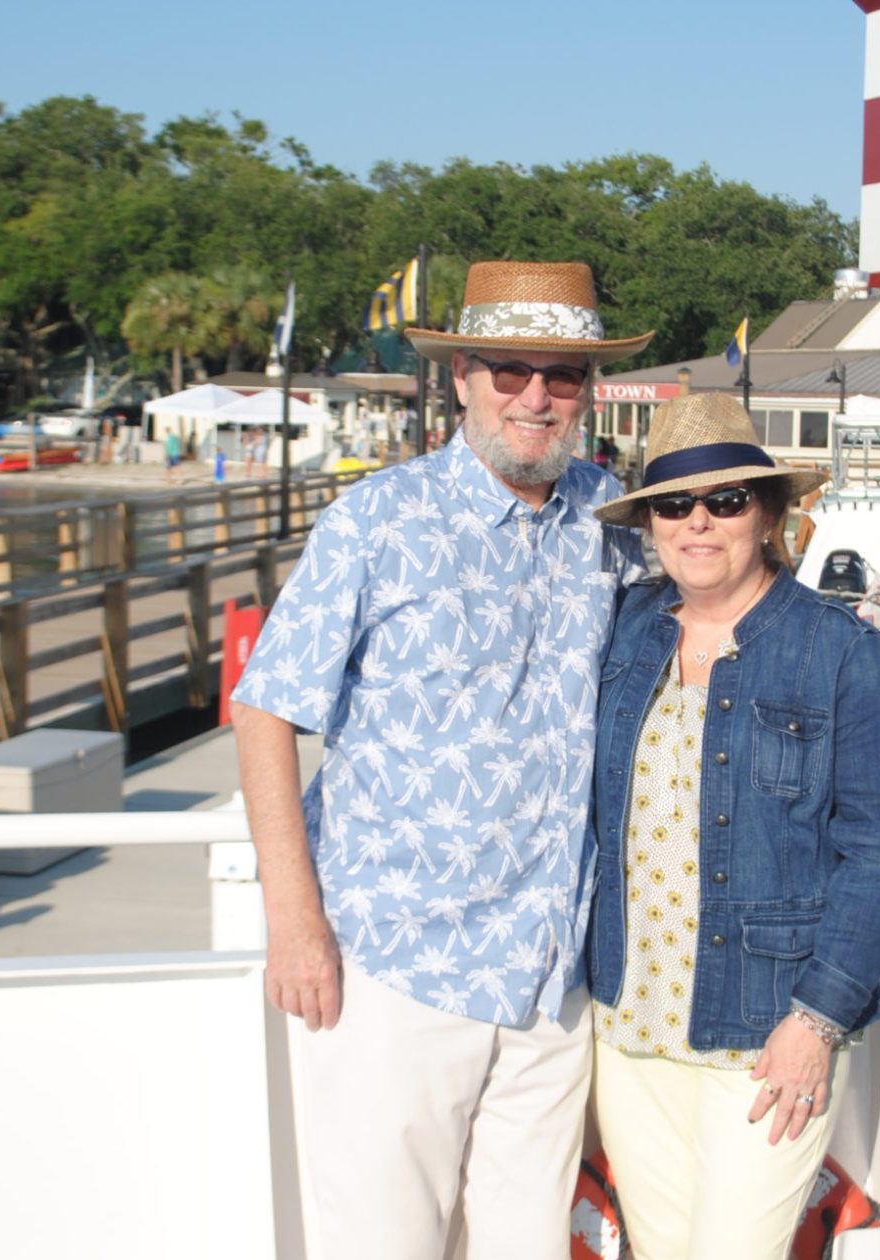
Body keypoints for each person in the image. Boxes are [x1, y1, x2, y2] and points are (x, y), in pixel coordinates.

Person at [229, 260, 653, 1259]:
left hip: (553, 981)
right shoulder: (378, 519)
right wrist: (296, 924)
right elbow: (264, 712)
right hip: (393, 968)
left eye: (563, 375)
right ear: (460, 374)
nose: (537, 396)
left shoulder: (612, 517)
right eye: (510, 369)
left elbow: (720, 593)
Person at [587, 393, 880, 1260]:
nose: (699, 522)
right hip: (628, 1025)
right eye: (674, 504)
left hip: (769, 1034)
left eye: (726, 501)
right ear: (650, 522)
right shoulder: (623, 631)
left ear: (768, 515)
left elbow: (877, 856)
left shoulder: (840, 651)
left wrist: (818, 1020)